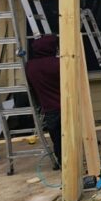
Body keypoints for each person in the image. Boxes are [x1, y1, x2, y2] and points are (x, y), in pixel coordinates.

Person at [25, 34, 62, 168]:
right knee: (71, 135)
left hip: (48, 108)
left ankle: (61, 162)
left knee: (57, 137)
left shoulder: (30, 66)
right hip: (66, 105)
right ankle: (74, 161)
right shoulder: (59, 63)